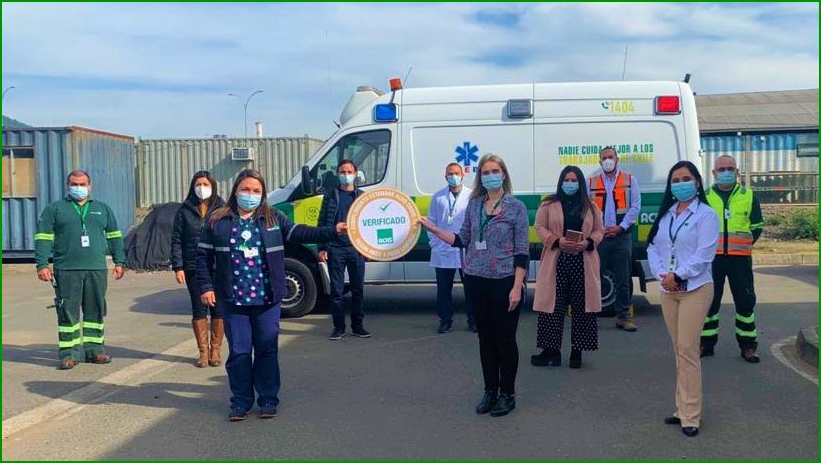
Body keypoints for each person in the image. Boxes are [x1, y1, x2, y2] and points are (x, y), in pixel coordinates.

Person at [196, 169, 347, 421]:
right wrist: (206, 287)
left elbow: (301, 232)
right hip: (233, 300)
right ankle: (240, 402)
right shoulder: (217, 221)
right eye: (246, 189)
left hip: (267, 298)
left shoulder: (273, 218)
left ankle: (268, 399)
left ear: (263, 194)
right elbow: (202, 257)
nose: (250, 195)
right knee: (240, 352)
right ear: (235, 191)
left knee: (266, 349)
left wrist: (332, 231)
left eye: (256, 191)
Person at [420, 153, 529, 418]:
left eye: (495, 170)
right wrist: (433, 229)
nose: (490, 175)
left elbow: (522, 252)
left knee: (505, 340)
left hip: (504, 281)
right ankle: (490, 391)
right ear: (480, 176)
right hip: (476, 280)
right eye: (485, 171)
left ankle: (508, 394)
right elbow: (462, 239)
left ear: (504, 174)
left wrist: (517, 287)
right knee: (485, 340)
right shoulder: (474, 205)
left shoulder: (516, 207)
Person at [646, 161, 718, 438]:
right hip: (669, 291)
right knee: (679, 350)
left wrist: (678, 274)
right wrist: (662, 274)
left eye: (686, 178)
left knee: (688, 348)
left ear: (697, 182)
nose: (680, 184)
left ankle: (691, 415)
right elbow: (653, 246)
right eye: (675, 180)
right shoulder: (667, 216)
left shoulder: (706, 215)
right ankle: (681, 408)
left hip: (695, 288)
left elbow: (704, 255)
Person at [34, 170, 126, 370]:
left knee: (96, 309)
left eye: (82, 184)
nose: (79, 188)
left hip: (96, 268)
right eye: (74, 184)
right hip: (67, 269)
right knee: (67, 312)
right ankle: (69, 353)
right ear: (68, 185)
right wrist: (42, 264)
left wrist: (120, 262)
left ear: (89, 186)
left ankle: (95, 351)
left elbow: (115, 237)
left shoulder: (102, 209)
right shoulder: (56, 209)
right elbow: (43, 238)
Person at [531, 166, 604, 369]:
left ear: (580, 183)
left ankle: (577, 352)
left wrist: (588, 243)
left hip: (583, 261)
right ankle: (550, 351)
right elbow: (539, 227)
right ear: (561, 181)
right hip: (558, 259)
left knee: (582, 307)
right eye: (567, 179)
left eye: (574, 180)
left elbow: (600, 230)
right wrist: (556, 241)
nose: (570, 184)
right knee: (552, 306)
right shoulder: (549, 203)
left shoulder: (590, 206)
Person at [700, 155, 764, 363]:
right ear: (713, 173)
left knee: (745, 302)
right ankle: (706, 344)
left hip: (740, 259)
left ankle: (749, 346)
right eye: (721, 169)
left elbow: (756, 227)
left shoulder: (748, 195)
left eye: (730, 169)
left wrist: (742, 245)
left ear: (737, 172)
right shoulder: (705, 197)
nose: (725, 172)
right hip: (713, 259)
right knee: (709, 303)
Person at [171, 170, 226, 368]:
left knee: (218, 308)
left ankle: (216, 350)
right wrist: (178, 266)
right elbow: (177, 239)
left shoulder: (222, 208)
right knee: (198, 308)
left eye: (206, 184)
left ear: (213, 186)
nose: (202, 188)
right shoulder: (184, 211)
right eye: (198, 184)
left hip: (218, 266)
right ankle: (203, 352)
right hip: (193, 266)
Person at [587, 146, 641, 332]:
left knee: (623, 278)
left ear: (617, 159)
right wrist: (599, 229)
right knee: (595, 278)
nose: (608, 160)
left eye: (611, 157)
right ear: (599, 161)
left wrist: (621, 227)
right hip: (599, 237)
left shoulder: (629, 179)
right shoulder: (591, 182)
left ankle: (623, 317)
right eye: (604, 158)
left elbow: (635, 207)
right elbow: (587, 209)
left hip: (621, 237)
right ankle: (589, 317)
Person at [317, 159, 370, 341]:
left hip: (356, 249)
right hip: (335, 249)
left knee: (358, 290)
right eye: (342, 171)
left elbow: (369, 224)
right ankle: (338, 327)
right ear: (338, 174)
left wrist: (369, 249)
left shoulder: (362, 196)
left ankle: (358, 326)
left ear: (356, 174)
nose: (346, 174)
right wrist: (322, 247)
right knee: (337, 292)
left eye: (349, 171)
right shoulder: (331, 195)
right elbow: (322, 221)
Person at [427, 162, 475, 334]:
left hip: (465, 249)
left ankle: (473, 320)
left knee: (470, 288)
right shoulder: (438, 197)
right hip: (443, 249)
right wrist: (434, 243)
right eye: (450, 173)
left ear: (462, 175)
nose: (453, 176)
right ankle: (445, 320)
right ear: (445, 176)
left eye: (456, 173)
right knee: (443, 289)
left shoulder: (472, 196)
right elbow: (431, 222)